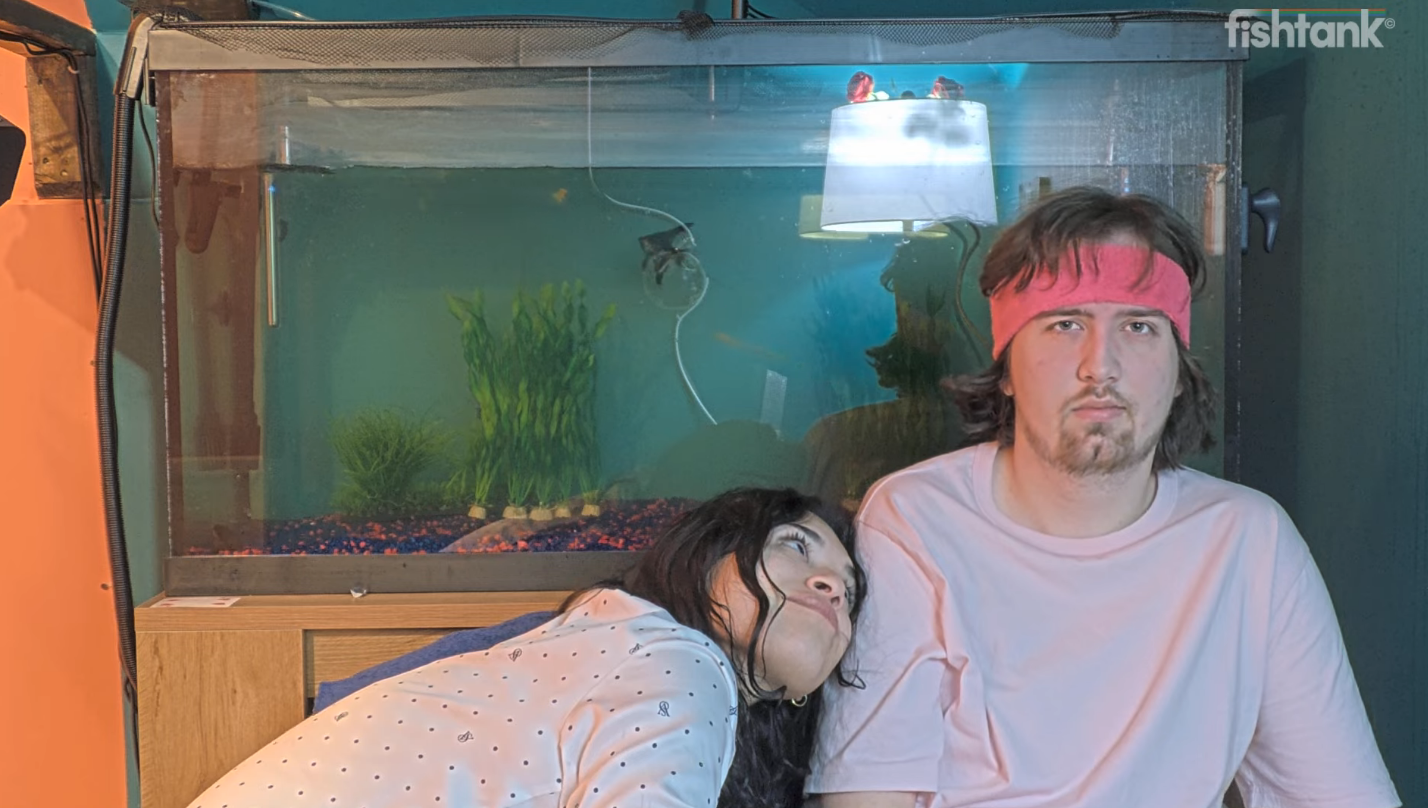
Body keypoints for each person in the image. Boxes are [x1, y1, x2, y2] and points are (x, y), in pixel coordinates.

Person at [807, 187, 1399, 808]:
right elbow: (866, 796)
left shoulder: (1251, 541)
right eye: (1066, 324)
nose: (1101, 366)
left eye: (1139, 327)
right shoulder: (914, 520)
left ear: (1179, 372)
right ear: (1006, 369)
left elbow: (1341, 794)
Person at [186, 487, 865, 808]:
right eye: (795, 545)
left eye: (851, 590)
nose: (831, 584)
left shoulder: (593, 643)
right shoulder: (679, 661)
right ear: (705, 556)